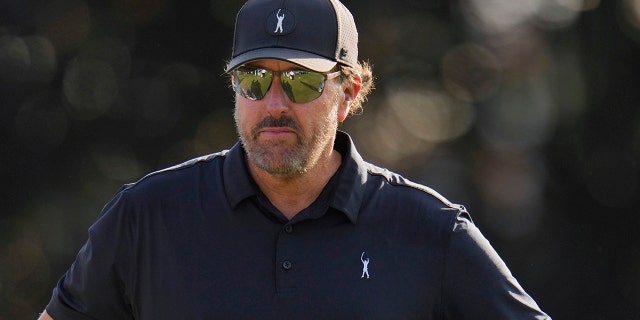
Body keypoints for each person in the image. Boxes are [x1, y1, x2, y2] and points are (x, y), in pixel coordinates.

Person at [38, 0, 551, 319]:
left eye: (302, 81)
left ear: (349, 92)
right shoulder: (147, 216)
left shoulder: (428, 231)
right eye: (254, 80)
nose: (275, 104)